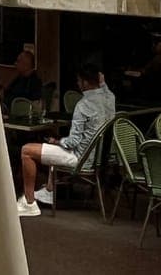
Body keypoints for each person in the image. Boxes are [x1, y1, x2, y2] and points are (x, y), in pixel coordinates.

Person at [17, 62, 114, 215]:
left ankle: (29, 203)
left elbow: (73, 142)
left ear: (85, 83)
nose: (77, 83)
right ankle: (49, 190)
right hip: (97, 157)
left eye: (79, 80)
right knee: (54, 146)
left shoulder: (83, 105)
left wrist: (58, 141)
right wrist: (102, 82)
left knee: (27, 150)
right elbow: (106, 91)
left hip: (79, 158)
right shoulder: (110, 100)